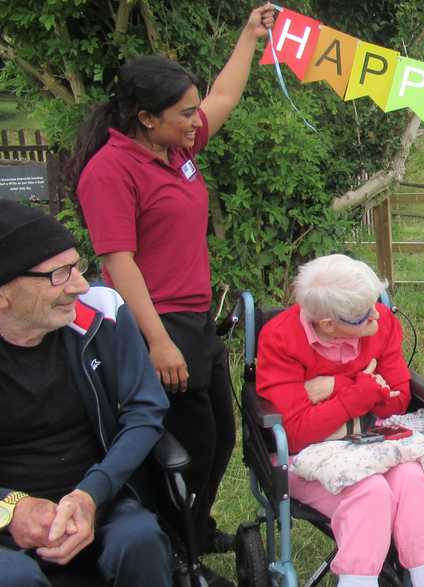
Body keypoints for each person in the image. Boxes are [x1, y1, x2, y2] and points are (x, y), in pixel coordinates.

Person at [65, 3, 276, 564]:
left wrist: (249, 36)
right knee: (185, 446)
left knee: (222, 438)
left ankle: (193, 532)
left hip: (197, 319)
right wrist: (157, 341)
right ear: (144, 116)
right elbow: (118, 262)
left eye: (191, 111)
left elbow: (223, 98)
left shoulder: (175, 149)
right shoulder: (110, 172)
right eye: (182, 112)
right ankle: (171, 550)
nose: (194, 120)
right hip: (155, 322)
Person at [0, 201, 171, 586]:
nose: (80, 284)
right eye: (60, 274)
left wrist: (90, 495)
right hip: (6, 516)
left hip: (101, 497)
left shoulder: (101, 310)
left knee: (140, 541)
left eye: (78, 265)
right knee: (13, 577)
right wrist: (10, 508)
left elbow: (146, 409)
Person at [256, 255, 424, 587]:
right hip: (306, 457)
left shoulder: (382, 323)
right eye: (364, 315)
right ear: (327, 323)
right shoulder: (281, 338)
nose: (378, 314)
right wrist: (366, 389)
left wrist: (338, 387)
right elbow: (299, 432)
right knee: (369, 492)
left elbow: (397, 400)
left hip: (378, 443)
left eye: (375, 302)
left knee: (414, 481)